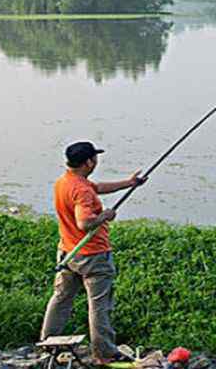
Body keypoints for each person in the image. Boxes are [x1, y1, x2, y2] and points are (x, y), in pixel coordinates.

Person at [40, 141, 146, 363]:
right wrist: (104, 217)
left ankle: (47, 343)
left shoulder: (65, 182)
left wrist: (130, 183)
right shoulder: (81, 190)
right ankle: (105, 353)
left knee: (61, 298)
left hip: (68, 253)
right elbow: (84, 222)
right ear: (88, 162)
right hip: (93, 256)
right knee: (99, 305)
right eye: (94, 158)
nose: (96, 161)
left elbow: (96, 188)